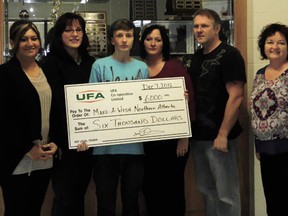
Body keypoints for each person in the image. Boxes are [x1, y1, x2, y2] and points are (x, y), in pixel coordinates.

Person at [187, 8, 246, 216]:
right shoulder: (196, 57)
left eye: (204, 26)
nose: (199, 30)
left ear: (218, 28)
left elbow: (236, 96)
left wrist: (222, 134)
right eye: (196, 26)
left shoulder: (230, 55)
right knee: (207, 190)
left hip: (220, 139)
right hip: (199, 137)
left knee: (226, 194)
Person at [89, 18, 149, 216]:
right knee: (105, 203)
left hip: (134, 147)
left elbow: (147, 103)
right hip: (104, 149)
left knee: (131, 203)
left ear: (134, 39)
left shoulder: (142, 68)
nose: (124, 40)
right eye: (120, 35)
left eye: (129, 35)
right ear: (112, 40)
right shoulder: (99, 66)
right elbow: (90, 105)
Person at [0, 20, 58, 216]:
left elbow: (54, 110)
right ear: (12, 42)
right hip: (17, 158)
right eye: (23, 39)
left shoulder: (47, 71)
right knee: (16, 210)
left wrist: (55, 142)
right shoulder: (4, 74)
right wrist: (28, 148)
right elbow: (4, 121)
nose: (30, 43)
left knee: (34, 209)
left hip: (44, 155)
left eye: (34, 38)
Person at [41, 12, 95, 216]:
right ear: (59, 34)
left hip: (88, 143)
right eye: (68, 30)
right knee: (64, 197)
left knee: (79, 195)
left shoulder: (92, 63)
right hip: (62, 146)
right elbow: (50, 108)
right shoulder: (50, 64)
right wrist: (57, 141)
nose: (74, 34)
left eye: (78, 29)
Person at [139, 24, 195, 216]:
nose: (153, 43)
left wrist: (184, 138)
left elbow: (189, 103)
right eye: (149, 39)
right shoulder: (137, 68)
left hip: (173, 142)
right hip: (146, 141)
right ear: (142, 41)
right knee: (149, 186)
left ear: (164, 43)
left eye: (158, 39)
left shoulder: (174, 67)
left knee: (173, 186)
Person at [250, 23, 288, 215]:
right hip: (265, 149)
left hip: (286, 147)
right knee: (273, 201)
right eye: (270, 42)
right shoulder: (259, 75)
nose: (275, 46)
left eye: (281, 42)